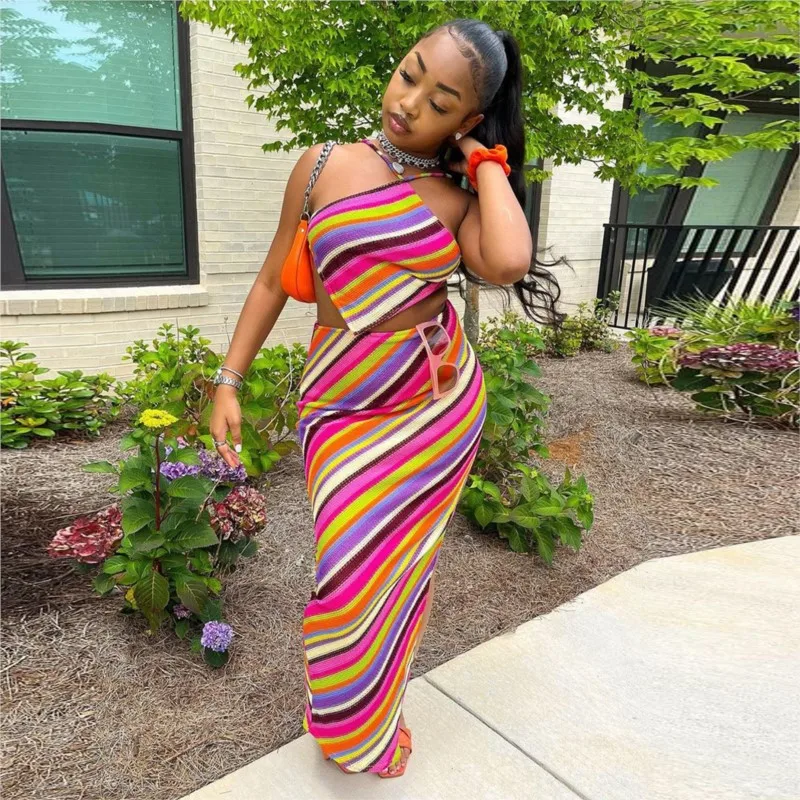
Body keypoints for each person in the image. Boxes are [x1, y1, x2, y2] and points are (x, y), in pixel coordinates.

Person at [209, 18, 564, 779]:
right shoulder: (323, 164)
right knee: (348, 571)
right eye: (409, 74)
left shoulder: (458, 198)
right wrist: (227, 382)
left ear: (468, 118)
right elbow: (272, 281)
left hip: (435, 402)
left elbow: (507, 260)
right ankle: (350, 718)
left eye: (442, 102)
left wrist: (485, 161)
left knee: (397, 572)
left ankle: (369, 721)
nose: (409, 104)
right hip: (340, 397)